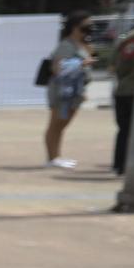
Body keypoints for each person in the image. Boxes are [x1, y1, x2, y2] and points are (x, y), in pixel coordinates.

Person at [43, 11, 93, 169]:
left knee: (63, 124)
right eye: (85, 26)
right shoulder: (66, 45)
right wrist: (81, 64)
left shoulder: (82, 45)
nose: (89, 29)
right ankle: (52, 158)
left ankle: (57, 156)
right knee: (56, 124)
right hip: (62, 91)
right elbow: (58, 68)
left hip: (75, 91)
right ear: (74, 27)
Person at [110, 19, 134, 175]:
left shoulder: (133, 36)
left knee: (125, 130)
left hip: (125, 89)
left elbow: (118, 66)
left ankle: (120, 165)